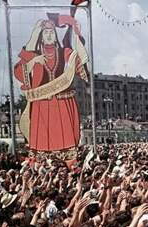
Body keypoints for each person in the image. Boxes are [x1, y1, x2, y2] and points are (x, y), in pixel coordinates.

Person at [13, 16, 89, 152]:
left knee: (66, 143)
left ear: (55, 36)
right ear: (41, 36)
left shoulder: (63, 52)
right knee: (43, 143)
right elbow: (19, 71)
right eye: (46, 33)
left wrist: (77, 33)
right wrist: (33, 61)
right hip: (42, 103)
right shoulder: (34, 54)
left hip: (61, 101)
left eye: (52, 32)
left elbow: (78, 59)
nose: (49, 35)